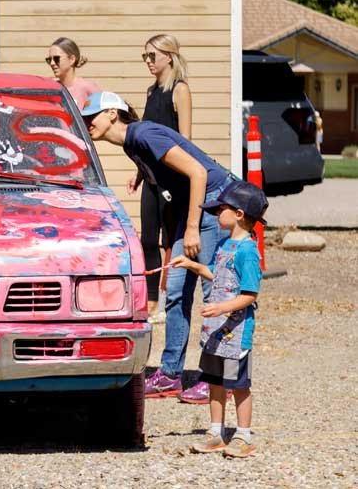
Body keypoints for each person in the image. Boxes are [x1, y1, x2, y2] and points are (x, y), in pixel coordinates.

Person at [81, 91, 233, 405]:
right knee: (176, 292)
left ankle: (219, 378)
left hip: (214, 204)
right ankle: (170, 374)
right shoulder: (132, 143)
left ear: (112, 113)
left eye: (91, 117)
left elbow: (198, 172)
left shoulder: (143, 133)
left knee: (215, 293)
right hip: (191, 210)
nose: (87, 124)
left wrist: (192, 227)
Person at [171, 180, 267, 458]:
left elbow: (250, 294)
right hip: (217, 330)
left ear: (238, 214)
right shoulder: (226, 245)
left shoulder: (248, 251)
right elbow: (218, 274)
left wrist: (221, 307)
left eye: (220, 209)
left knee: (238, 386)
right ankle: (216, 432)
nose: (215, 214)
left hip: (236, 334)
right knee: (215, 382)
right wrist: (191, 264)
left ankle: (244, 435)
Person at [135, 34, 193, 325]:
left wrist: (180, 174)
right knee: (147, 240)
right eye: (145, 56)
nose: (148, 61)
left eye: (152, 56)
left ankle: (169, 297)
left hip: (171, 176)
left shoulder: (179, 90)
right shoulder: (150, 92)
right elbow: (144, 137)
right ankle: (150, 301)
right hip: (150, 176)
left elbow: (185, 139)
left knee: (170, 240)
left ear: (168, 57)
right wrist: (138, 173)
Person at [46, 37, 100, 107]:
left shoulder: (87, 87)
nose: (52, 63)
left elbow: (106, 113)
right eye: (49, 60)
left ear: (72, 59)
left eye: (57, 59)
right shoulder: (51, 89)